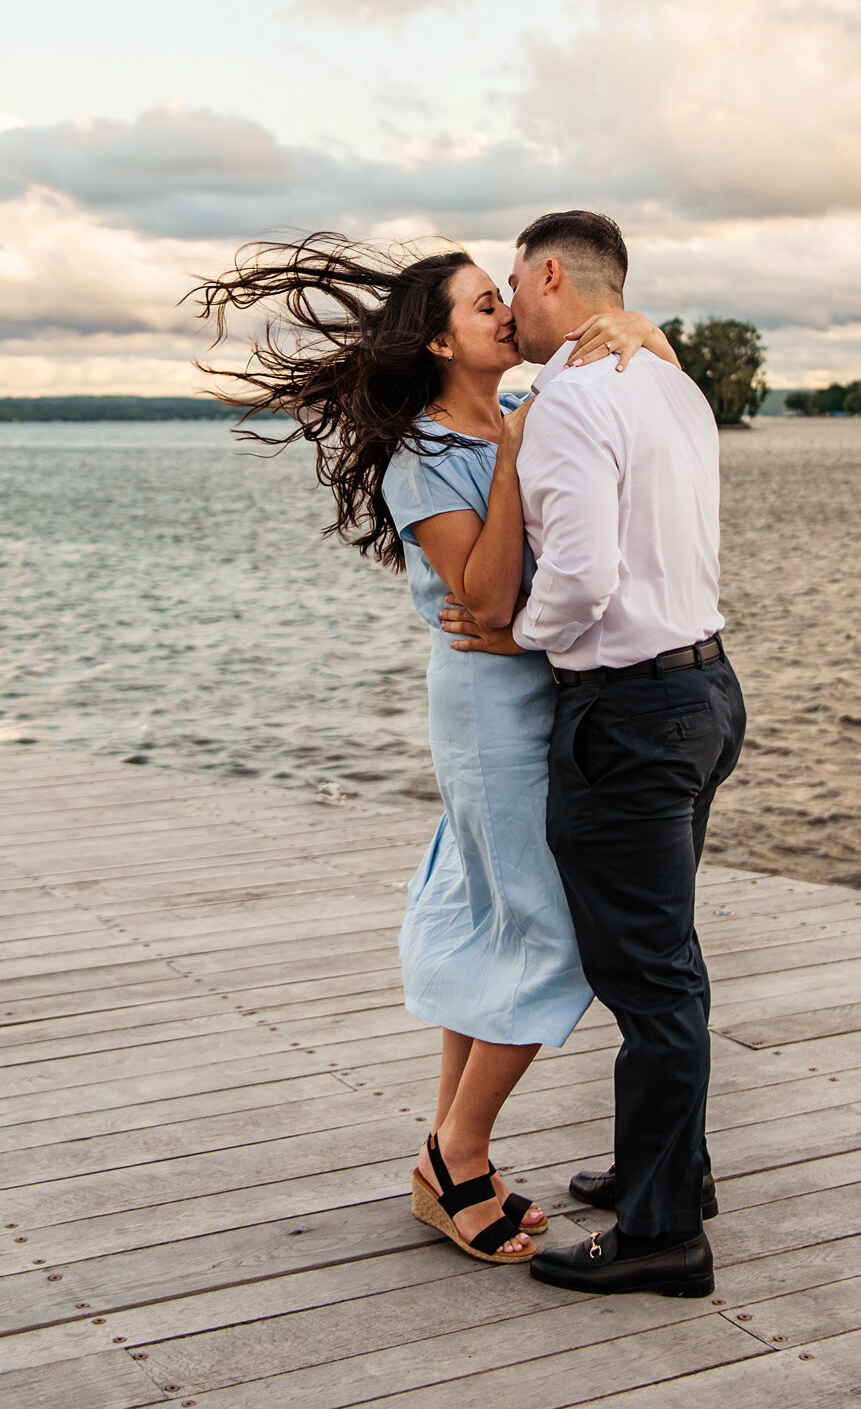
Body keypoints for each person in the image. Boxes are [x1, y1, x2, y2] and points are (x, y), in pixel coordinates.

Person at [188, 233, 678, 1267]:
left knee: (485, 918)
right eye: (479, 303)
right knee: (544, 930)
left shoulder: (513, 415)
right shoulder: (430, 450)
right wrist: (508, 454)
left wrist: (642, 331)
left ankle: (455, 1156)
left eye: (504, 294)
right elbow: (487, 599)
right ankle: (454, 1150)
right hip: (492, 710)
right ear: (440, 340)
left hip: (541, 689)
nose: (506, 310)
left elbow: (545, 581)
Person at [445, 209, 745, 1298]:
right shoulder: (670, 381)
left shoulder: (572, 397)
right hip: (705, 690)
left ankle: (664, 1232)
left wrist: (511, 633)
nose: (508, 307)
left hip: (627, 711)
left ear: (550, 276)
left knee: (648, 974)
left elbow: (577, 578)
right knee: (667, 959)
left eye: (513, 287)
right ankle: (669, 1169)